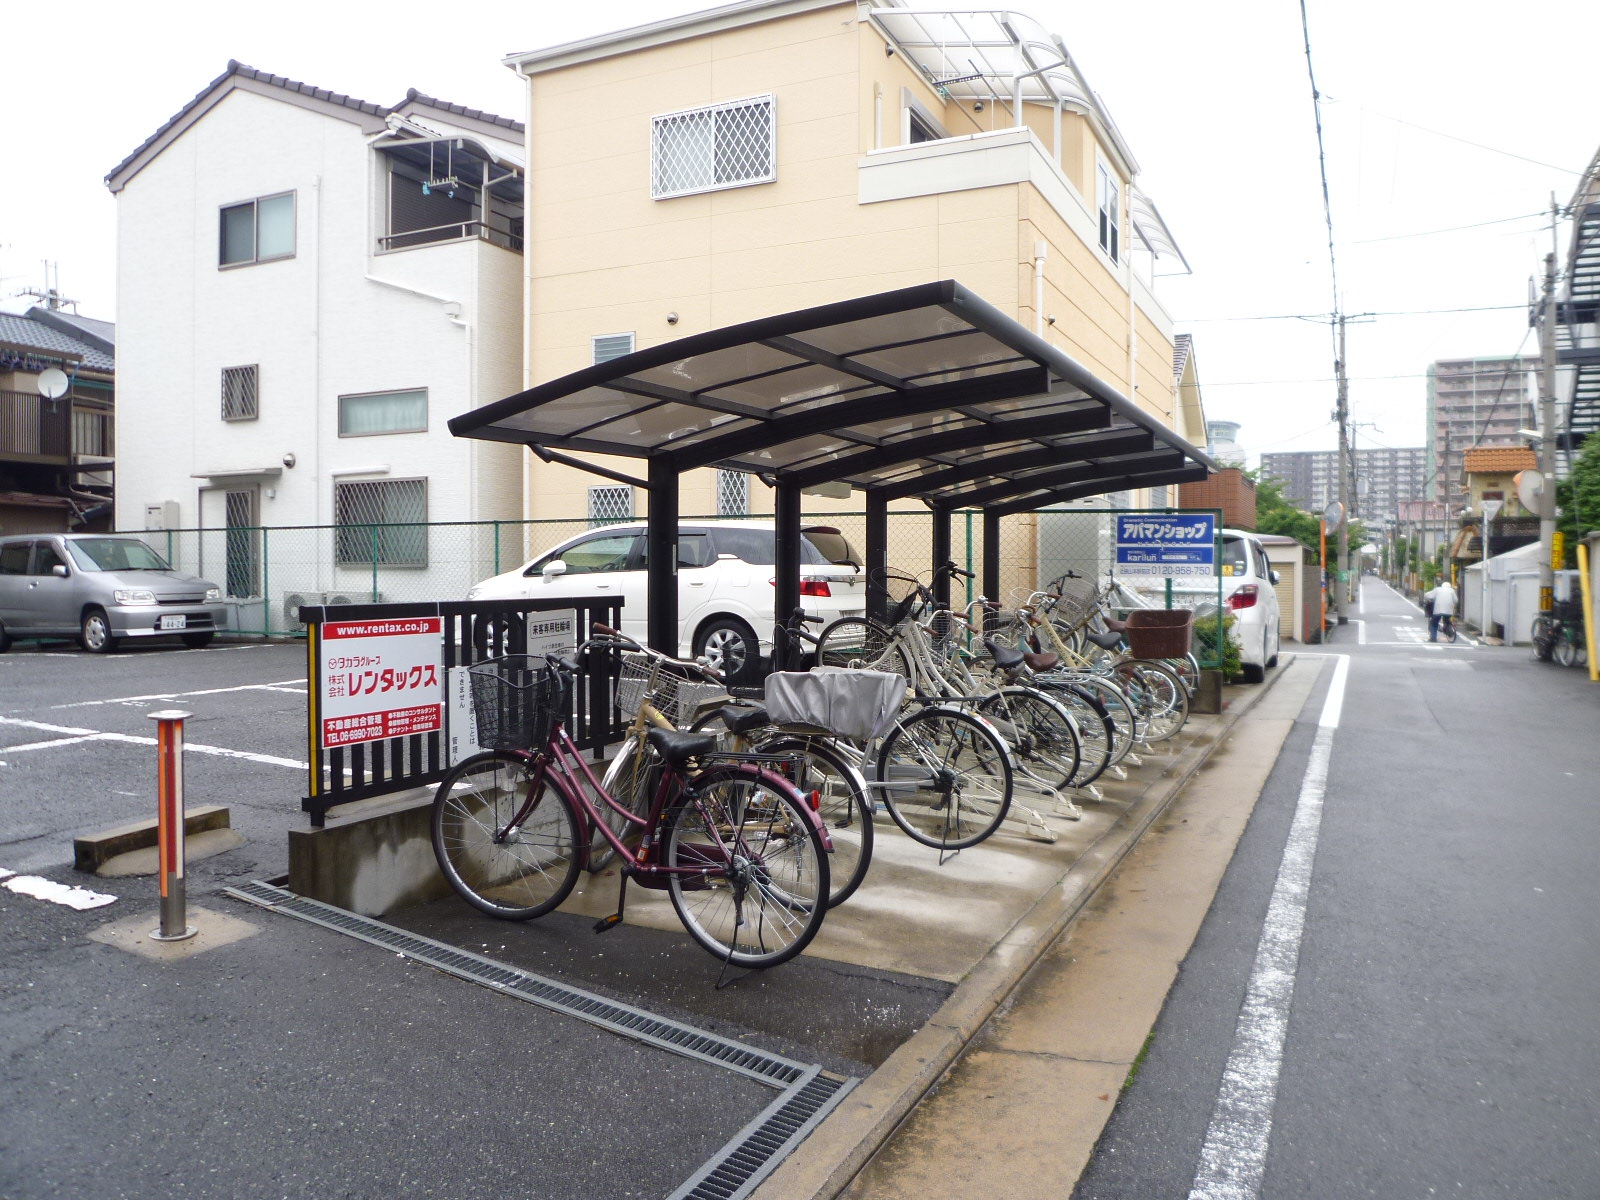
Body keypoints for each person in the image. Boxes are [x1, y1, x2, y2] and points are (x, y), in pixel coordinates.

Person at [1425, 577, 1458, 642]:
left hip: (1438, 610)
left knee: (1434, 623)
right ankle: (1449, 628)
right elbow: (1456, 600)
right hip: (1448, 611)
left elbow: (1428, 595)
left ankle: (1433, 638)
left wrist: (1427, 598)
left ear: (1442, 586)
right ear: (1450, 586)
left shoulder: (1437, 589)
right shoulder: (1452, 590)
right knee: (1447, 620)